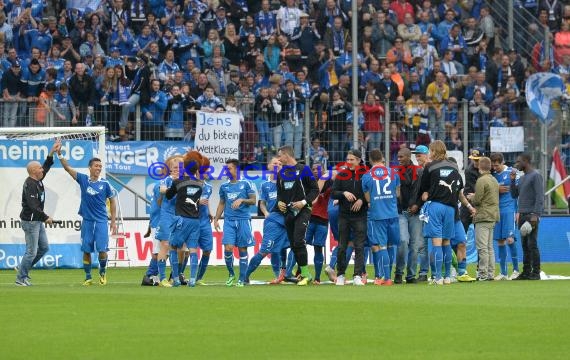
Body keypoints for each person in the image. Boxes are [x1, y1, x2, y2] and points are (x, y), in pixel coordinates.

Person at [419, 140, 474, 285]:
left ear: (434, 151)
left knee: (436, 243)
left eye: (431, 151)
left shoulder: (430, 167)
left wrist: (426, 195)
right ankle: (448, 276)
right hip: (451, 208)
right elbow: (459, 188)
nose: (429, 153)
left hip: (436, 206)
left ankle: (438, 277)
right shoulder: (454, 166)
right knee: (447, 242)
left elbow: (423, 189)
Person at [58, 150, 117, 286]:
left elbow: (112, 201)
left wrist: (113, 221)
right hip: (87, 222)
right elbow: (67, 168)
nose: (99, 168)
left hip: (101, 221)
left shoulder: (105, 184)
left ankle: (102, 272)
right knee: (86, 250)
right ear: (90, 168)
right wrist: (60, 154)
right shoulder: (83, 179)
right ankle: (88, 277)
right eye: (96, 166)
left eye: (100, 166)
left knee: (102, 251)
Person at [16, 141, 61, 286]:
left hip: (36, 221)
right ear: (34, 171)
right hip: (30, 222)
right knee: (31, 252)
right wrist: (46, 217)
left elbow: (47, 166)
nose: (43, 169)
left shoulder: (38, 179)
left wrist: (51, 152)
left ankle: (24, 268)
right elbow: (34, 207)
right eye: (40, 168)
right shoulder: (30, 184)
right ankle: (20, 278)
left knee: (44, 248)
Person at [276, 145, 319, 286]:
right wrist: (280, 203)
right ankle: (303, 274)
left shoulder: (303, 170)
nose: (278, 159)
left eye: (280, 156)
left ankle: (306, 275)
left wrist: (303, 202)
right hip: (288, 213)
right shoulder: (281, 173)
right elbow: (280, 195)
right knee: (294, 244)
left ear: (287, 156)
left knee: (299, 240)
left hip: (303, 210)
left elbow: (315, 190)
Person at [245, 157, 290, 283]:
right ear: (269, 166)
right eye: (275, 163)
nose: (278, 165)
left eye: (280, 164)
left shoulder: (287, 183)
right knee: (265, 250)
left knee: (281, 249)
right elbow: (262, 203)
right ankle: (245, 275)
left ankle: (279, 276)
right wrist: (265, 212)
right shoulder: (265, 185)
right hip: (273, 221)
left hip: (287, 221)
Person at [214, 159, 257, 287]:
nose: (227, 170)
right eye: (226, 168)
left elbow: (254, 201)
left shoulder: (247, 183)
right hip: (229, 221)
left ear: (236, 169)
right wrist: (216, 219)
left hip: (243, 220)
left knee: (242, 249)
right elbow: (222, 202)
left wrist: (242, 200)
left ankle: (241, 278)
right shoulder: (224, 186)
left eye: (229, 168)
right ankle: (231, 274)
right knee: (228, 248)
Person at [165, 152, 205, 287]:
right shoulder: (200, 184)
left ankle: (175, 278)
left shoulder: (178, 182)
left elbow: (169, 196)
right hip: (195, 221)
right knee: (193, 249)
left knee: (172, 247)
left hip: (182, 219)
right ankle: (192, 279)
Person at [362, 149, 401, 286]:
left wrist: (373, 201)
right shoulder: (393, 172)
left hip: (377, 215)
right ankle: (387, 276)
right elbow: (397, 193)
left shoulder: (367, 176)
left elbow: (367, 197)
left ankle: (386, 277)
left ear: (370, 159)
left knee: (381, 247)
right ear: (382, 158)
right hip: (392, 213)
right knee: (390, 245)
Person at [331, 149, 368, 286]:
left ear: (359, 160)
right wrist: (343, 193)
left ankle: (357, 275)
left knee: (359, 246)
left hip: (360, 215)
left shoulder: (366, 174)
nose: (349, 162)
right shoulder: (342, 174)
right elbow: (333, 193)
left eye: (352, 159)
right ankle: (340, 275)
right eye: (348, 159)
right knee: (342, 246)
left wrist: (361, 200)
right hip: (344, 215)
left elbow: (371, 192)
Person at [510, 153, 544, 281]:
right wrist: (512, 180)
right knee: (525, 245)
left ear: (526, 161)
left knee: (532, 243)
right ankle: (526, 272)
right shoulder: (523, 178)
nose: (516, 164)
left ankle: (536, 272)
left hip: (531, 215)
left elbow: (540, 197)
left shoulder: (536, 176)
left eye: (518, 162)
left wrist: (536, 214)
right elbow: (514, 194)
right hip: (522, 215)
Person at [466, 157, 499, 281]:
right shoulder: (494, 180)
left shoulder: (481, 180)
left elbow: (478, 199)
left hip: (483, 216)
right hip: (492, 216)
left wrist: (471, 198)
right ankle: (490, 273)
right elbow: (489, 196)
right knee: (489, 247)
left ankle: (483, 274)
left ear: (479, 166)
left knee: (482, 247)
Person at [490, 152, 521, 280]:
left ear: (502, 162)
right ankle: (503, 272)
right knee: (500, 241)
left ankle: (516, 270)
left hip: (509, 210)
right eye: (493, 165)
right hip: (497, 210)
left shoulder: (512, 172)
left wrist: (518, 211)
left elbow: (518, 192)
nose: (495, 167)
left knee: (510, 239)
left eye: (497, 165)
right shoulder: (492, 176)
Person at [394, 148, 423, 284]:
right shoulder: (395, 173)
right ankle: (398, 273)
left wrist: (417, 204)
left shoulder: (419, 171)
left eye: (401, 157)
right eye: (398, 157)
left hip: (415, 213)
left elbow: (423, 191)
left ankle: (411, 275)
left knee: (415, 245)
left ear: (408, 156)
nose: (398, 159)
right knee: (403, 242)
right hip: (401, 213)